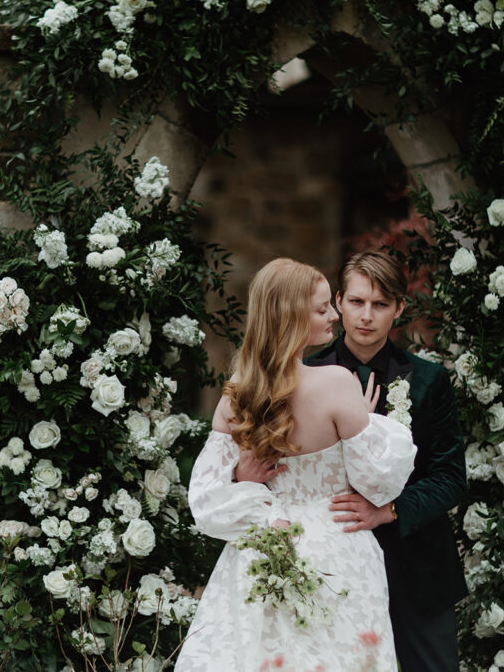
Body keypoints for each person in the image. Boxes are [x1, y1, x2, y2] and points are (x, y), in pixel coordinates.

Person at [175, 258, 416, 672]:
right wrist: (369, 422)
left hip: (262, 550)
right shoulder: (339, 383)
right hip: (338, 550)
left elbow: (207, 502)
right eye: (323, 308)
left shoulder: (236, 398)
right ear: (290, 317)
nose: (336, 315)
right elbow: (378, 480)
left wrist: (241, 483)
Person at [305, 250, 468, 672]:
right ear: (339, 302)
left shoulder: (431, 381)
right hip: (329, 565)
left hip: (417, 566)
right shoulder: (302, 374)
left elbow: (450, 477)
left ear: (399, 308)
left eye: (380, 305)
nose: (366, 316)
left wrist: (389, 510)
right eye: (357, 302)